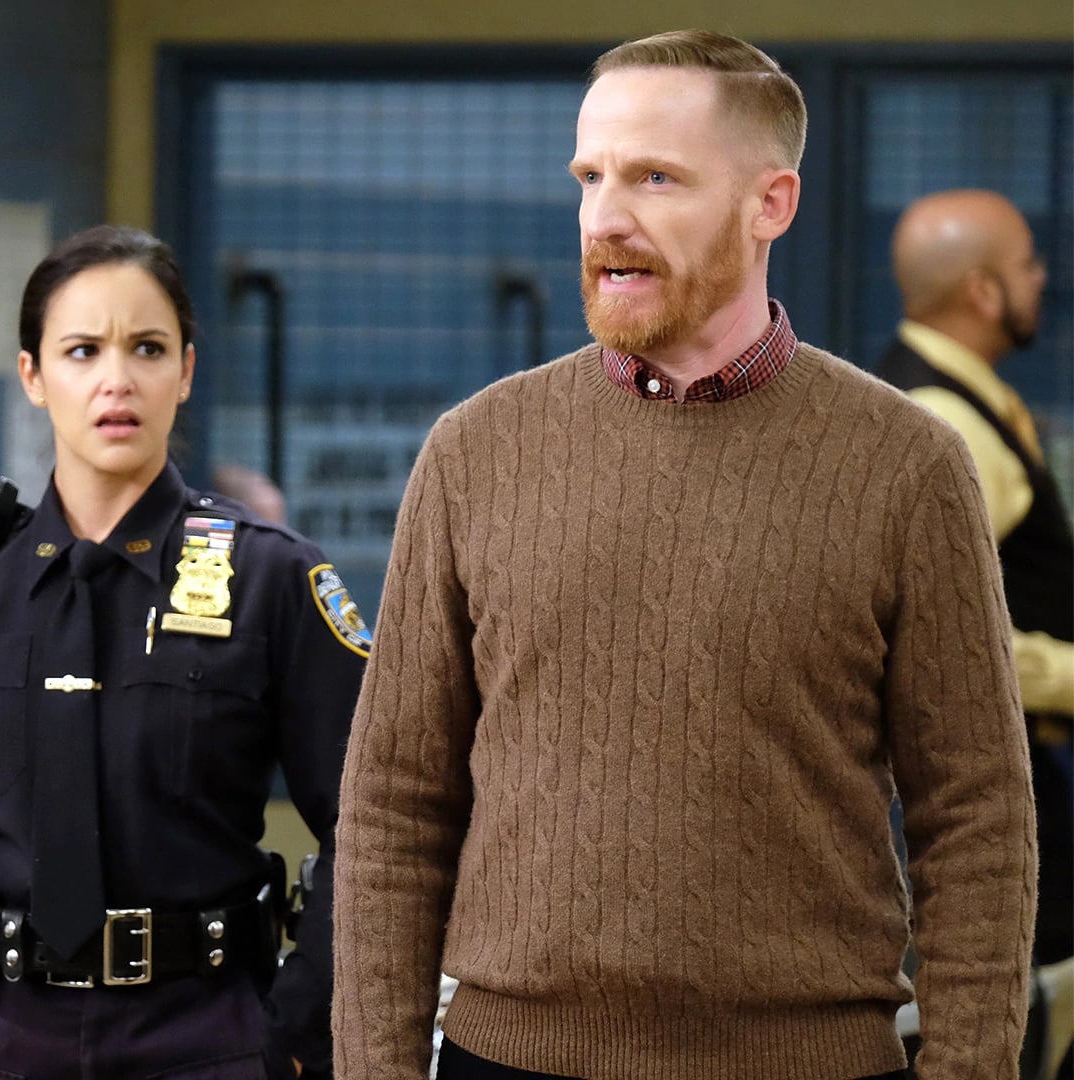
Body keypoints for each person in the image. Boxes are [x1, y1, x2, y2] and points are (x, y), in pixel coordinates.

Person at [333, 30, 1037, 1080]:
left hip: (814, 1064)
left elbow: (978, 815)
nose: (604, 218)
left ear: (771, 205)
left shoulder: (909, 465)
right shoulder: (475, 452)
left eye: (655, 178)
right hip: (509, 1057)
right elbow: (394, 803)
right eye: (590, 177)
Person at [0, 225, 367, 1079]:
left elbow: (374, 828)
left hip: (201, 1040)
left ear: (186, 370)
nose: (117, 379)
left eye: (148, 348)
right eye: (82, 351)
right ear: (32, 375)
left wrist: (296, 1035)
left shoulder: (269, 579)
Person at [878, 189, 1071, 970]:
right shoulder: (944, 422)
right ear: (983, 292)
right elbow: (946, 643)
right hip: (982, 790)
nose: (1042, 277)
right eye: (1027, 264)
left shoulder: (955, 401)